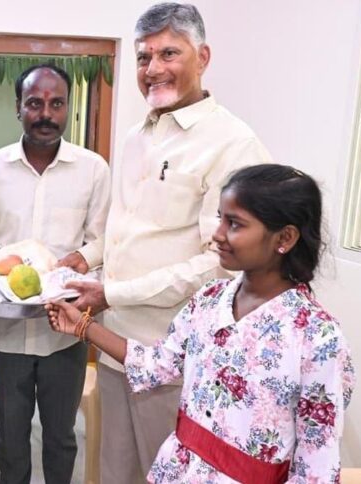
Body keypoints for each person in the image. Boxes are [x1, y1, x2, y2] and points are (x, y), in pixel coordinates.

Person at [60, 4, 273, 482]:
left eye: (169, 53)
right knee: (117, 471)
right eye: (143, 57)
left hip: (178, 358)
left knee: (171, 474)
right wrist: (87, 260)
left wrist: (111, 293)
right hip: (116, 345)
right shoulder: (135, 136)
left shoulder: (233, 144)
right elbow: (127, 226)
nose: (153, 68)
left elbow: (221, 265)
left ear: (203, 57)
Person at [48, 164, 355, 483]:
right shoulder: (210, 300)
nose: (217, 235)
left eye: (234, 224)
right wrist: (83, 326)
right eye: (220, 219)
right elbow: (155, 365)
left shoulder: (317, 337)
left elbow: (316, 468)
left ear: (285, 237)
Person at [0, 64, 111, 484]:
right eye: (34, 103)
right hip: (8, 330)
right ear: (18, 107)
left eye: (56, 103)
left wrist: (83, 256)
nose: (45, 113)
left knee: (61, 437)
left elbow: (105, 237)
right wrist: (2, 256)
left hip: (66, 329)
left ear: (67, 108)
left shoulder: (92, 169)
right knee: (11, 438)